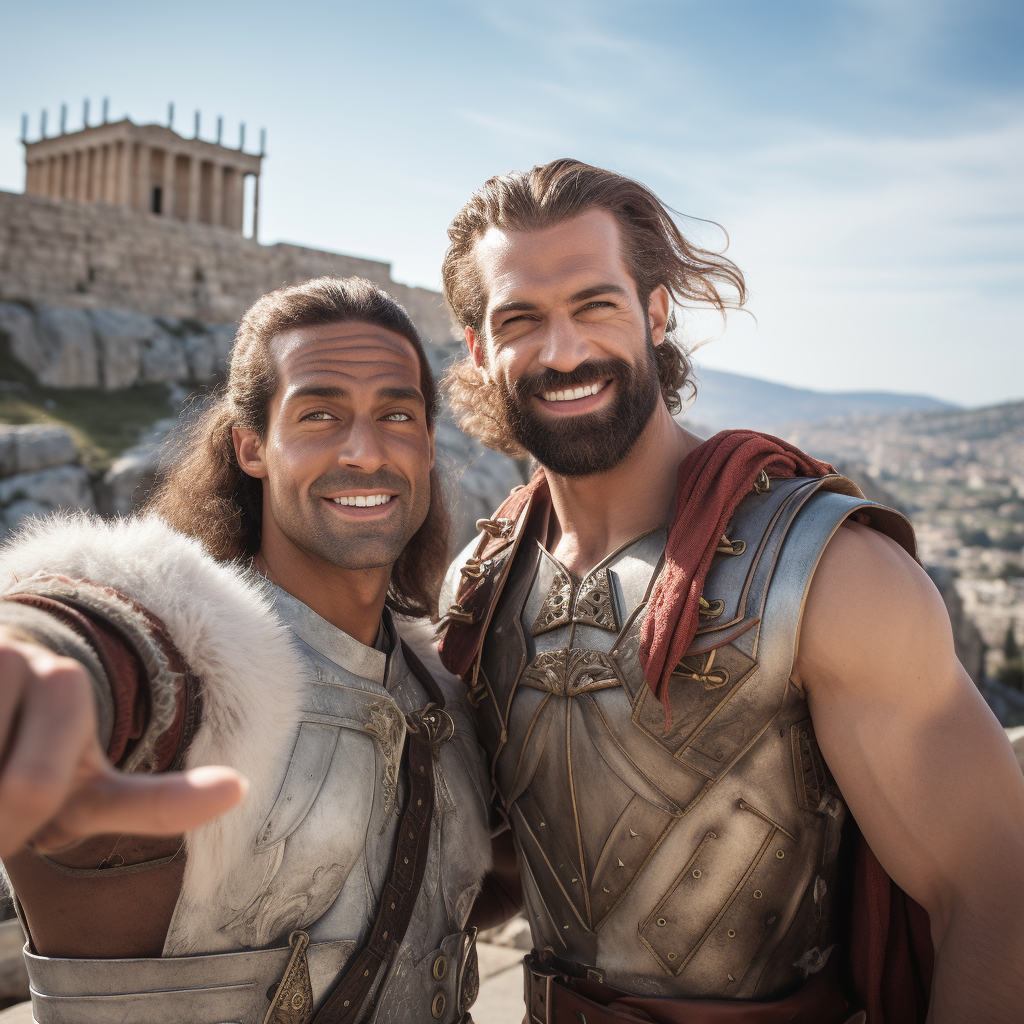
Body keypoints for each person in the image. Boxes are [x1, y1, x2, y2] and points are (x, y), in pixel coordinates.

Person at [437, 159, 1024, 1024]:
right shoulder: (480, 586)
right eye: (522, 318)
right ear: (483, 349)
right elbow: (519, 858)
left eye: (596, 304)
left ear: (657, 311)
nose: (563, 350)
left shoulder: (828, 573)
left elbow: (997, 895)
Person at [0, 277, 491, 1024]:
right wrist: (43, 655)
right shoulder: (194, 653)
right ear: (251, 446)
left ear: (427, 443)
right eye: (320, 414)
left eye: (397, 414)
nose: (365, 451)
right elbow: (106, 649)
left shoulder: (441, 690)